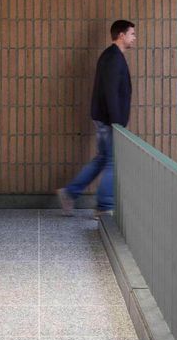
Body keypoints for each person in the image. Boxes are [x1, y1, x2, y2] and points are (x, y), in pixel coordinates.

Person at [57, 20, 136, 218]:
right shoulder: (113, 58)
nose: (134, 38)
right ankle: (104, 206)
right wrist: (116, 122)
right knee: (112, 161)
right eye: (132, 34)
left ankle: (70, 193)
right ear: (121, 35)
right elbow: (110, 92)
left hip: (105, 119)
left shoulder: (112, 56)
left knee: (103, 158)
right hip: (109, 121)